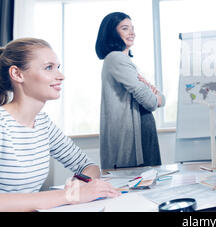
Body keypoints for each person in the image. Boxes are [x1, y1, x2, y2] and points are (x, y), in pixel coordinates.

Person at [0, 38, 120, 211]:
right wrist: (68, 196)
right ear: (17, 74)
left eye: (58, 67)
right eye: (49, 67)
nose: (60, 76)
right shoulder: (2, 125)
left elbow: (88, 165)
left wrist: (79, 183)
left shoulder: (43, 124)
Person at [95, 12, 165, 169]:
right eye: (125, 28)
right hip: (132, 142)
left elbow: (158, 98)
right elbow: (150, 101)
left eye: (132, 28)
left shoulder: (124, 61)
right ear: (113, 33)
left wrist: (155, 96)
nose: (132, 33)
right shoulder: (116, 58)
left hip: (141, 135)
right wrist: (154, 96)